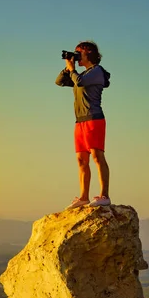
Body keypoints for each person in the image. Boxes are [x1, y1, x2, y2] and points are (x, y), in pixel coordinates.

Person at [55, 41, 112, 209]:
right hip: (80, 121)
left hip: (94, 119)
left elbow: (79, 81)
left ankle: (104, 195)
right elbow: (59, 81)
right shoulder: (81, 74)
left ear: (88, 52)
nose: (76, 56)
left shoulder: (96, 72)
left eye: (78, 53)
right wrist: (68, 68)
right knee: (81, 160)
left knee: (97, 156)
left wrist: (72, 69)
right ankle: (83, 197)